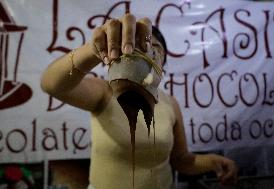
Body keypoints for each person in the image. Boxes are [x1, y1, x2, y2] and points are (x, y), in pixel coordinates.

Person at [41, 13, 238, 189]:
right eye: (139, 46)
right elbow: (52, 85)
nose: (146, 52)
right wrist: (92, 50)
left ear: (163, 63)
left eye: (155, 48)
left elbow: (180, 159)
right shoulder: (104, 92)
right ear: (125, 51)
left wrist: (211, 162)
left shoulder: (170, 103)